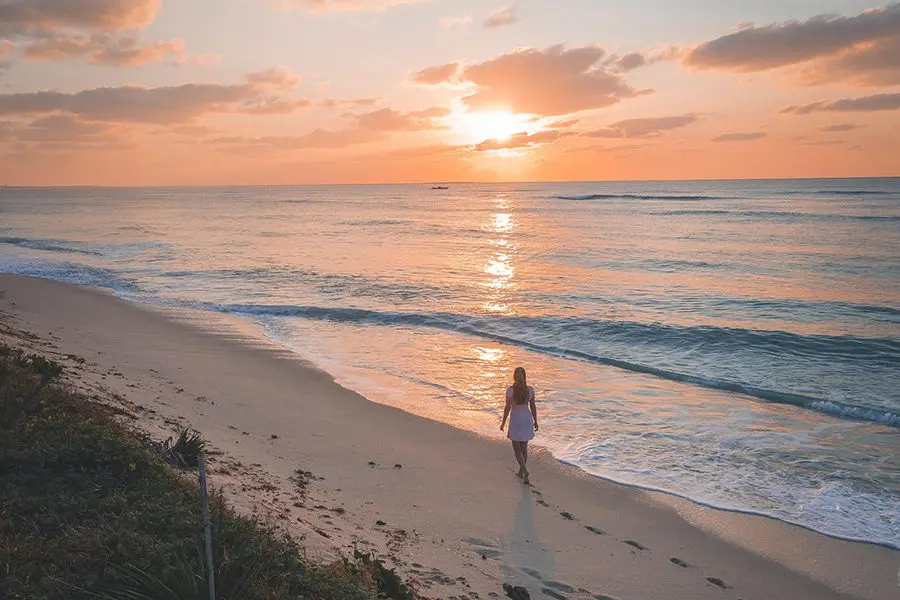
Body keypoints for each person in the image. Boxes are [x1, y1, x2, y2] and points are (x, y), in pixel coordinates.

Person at [500, 367, 538, 484]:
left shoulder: (510, 390)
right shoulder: (530, 390)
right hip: (526, 419)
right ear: (525, 376)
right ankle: (521, 473)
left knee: (517, 449)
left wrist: (503, 422)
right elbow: (533, 406)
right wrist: (535, 421)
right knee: (524, 448)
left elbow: (507, 408)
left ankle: (525, 471)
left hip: (516, 419)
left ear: (514, 376)